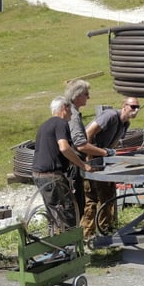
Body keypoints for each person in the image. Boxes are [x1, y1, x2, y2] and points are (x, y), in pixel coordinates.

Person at [31, 96, 93, 233]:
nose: (72, 113)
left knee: (54, 213)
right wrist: (83, 165)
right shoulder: (60, 123)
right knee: (68, 211)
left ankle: (56, 246)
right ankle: (70, 247)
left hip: (39, 175)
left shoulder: (44, 125)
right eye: (70, 109)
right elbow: (64, 148)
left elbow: (52, 150)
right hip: (52, 176)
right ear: (64, 108)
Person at [82, 97, 141, 235]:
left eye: (138, 107)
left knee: (107, 195)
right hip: (90, 157)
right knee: (92, 197)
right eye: (133, 106)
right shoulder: (110, 116)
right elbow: (88, 134)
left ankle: (104, 229)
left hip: (102, 158)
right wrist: (89, 159)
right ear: (124, 106)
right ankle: (87, 234)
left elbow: (112, 144)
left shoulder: (125, 124)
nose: (136, 110)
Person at [64, 79, 93, 235]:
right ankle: (74, 240)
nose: (88, 97)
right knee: (77, 203)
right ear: (77, 96)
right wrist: (103, 152)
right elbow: (80, 144)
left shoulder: (72, 113)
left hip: (74, 164)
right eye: (86, 94)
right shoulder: (73, 116)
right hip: (74, 165)